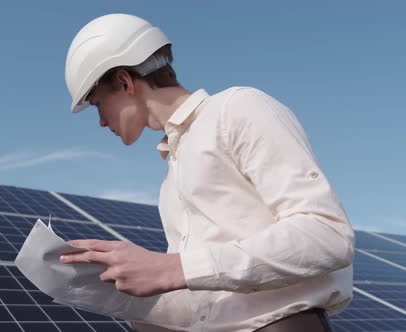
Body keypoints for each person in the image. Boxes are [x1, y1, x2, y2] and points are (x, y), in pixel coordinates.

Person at [60, 13, 354, 332]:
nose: (101, 121)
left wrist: (173, 268)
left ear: (124, 81)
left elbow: (327, 236)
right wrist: (119, 289)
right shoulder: (171, 174)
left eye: (98, 104)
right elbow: (205, 292)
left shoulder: (237, 109)